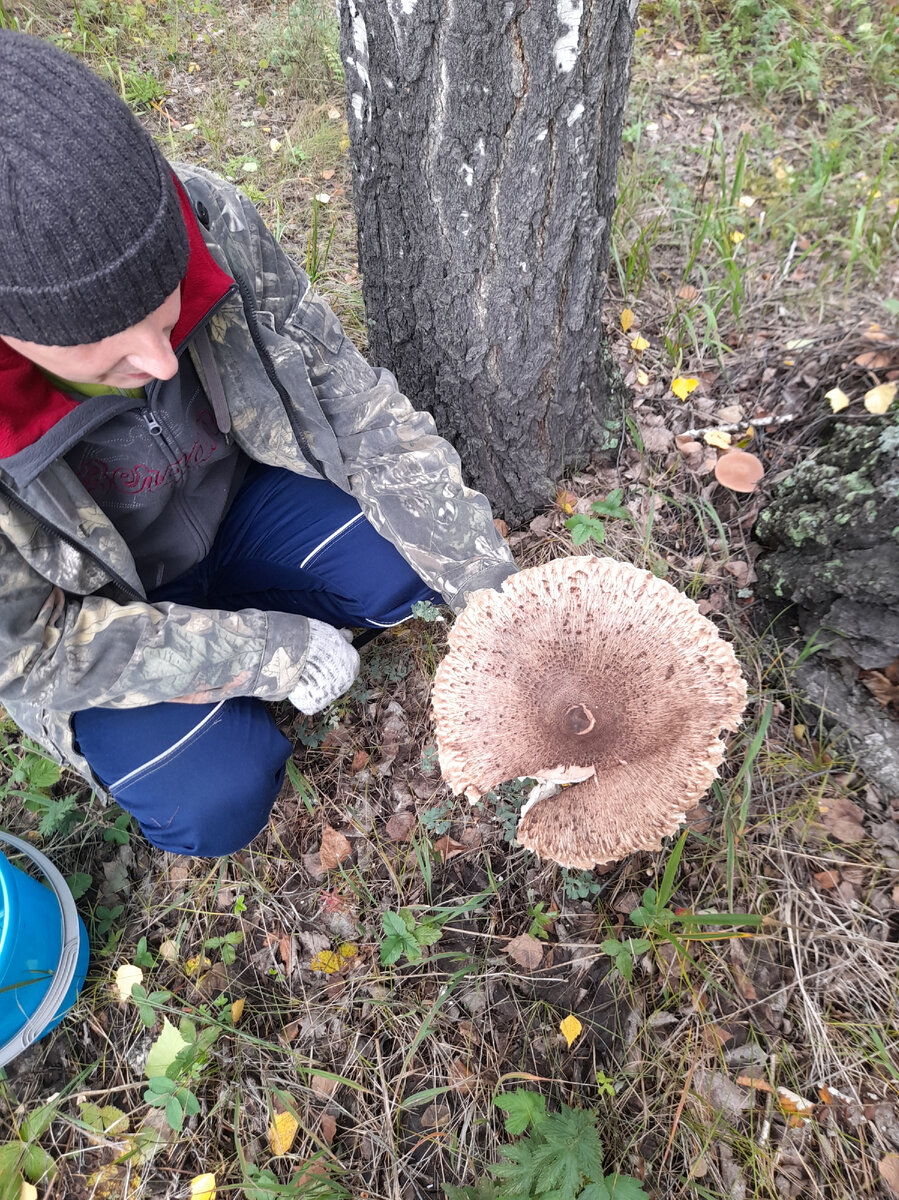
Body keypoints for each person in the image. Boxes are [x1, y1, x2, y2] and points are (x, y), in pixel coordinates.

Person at [0, 32, 516, 858]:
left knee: (404, 568)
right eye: (111, 353)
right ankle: (224, 709)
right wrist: (266, 653)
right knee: (214, 801)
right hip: (102, 617)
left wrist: (491, 588)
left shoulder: (207, 215)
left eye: (170, 315)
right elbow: (32, 651)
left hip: (240, 503)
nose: (162, 362)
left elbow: (348, 399)